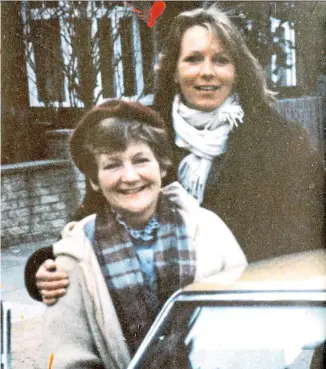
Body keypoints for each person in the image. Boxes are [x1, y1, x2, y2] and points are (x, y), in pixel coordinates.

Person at [25, 5, 324, 305]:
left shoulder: (283, 140)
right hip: (163, 314)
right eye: (193, 59)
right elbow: (92, 215)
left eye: (221, 60)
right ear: (173, 71)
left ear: (237, 71)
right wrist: (46, 265)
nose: (207, 71)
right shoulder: (143, 135)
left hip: (256, 311)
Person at [40, 99, 247, 368]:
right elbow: (68, 359)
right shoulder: (74, 256)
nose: (129, 176)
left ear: (161, 166)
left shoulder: (210, 230)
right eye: (113, 165)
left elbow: (242, 329)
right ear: (94, 180)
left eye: (140, 160)